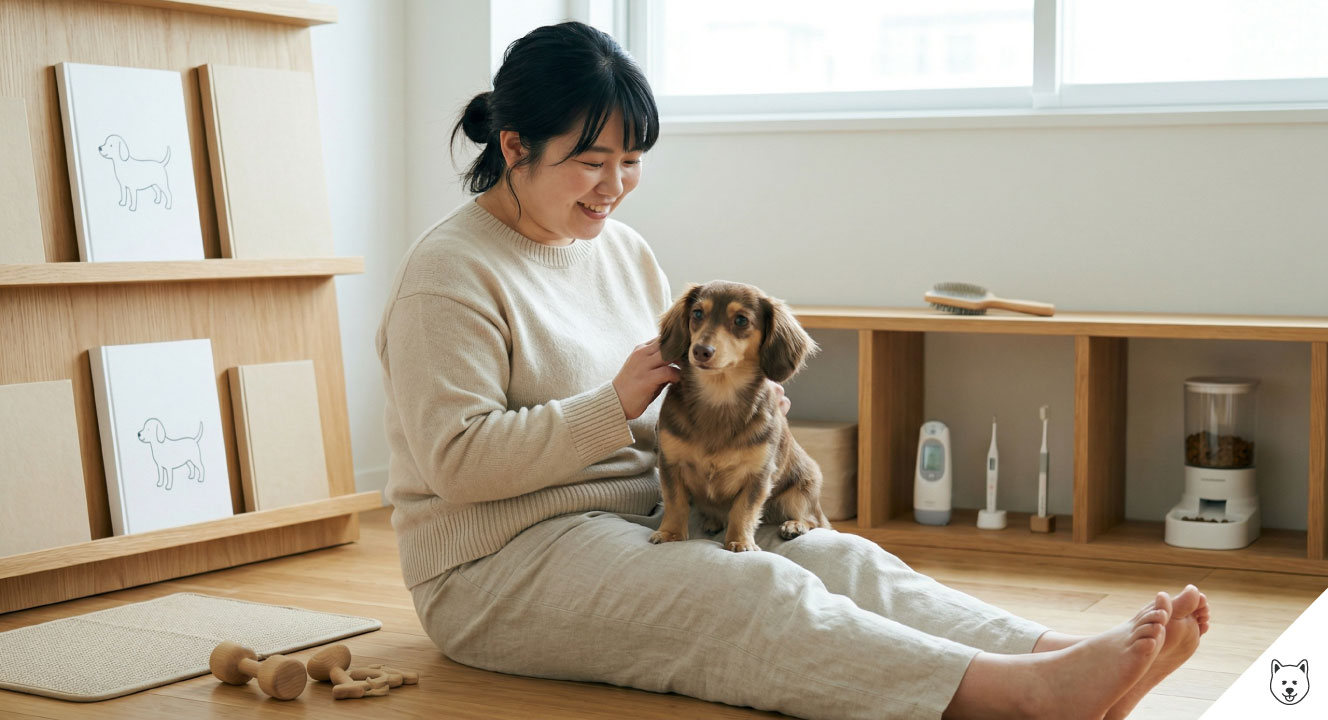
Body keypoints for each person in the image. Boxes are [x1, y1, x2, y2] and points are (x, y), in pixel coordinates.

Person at [377, 21, 1211, 720]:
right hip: (496, 566)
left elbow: (675, 400)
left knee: (833, 557)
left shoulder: (620, 252)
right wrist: (614, 403)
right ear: (515, 146)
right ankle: (1023, 698)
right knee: (741, 591)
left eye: (632, 161)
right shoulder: (448, 275)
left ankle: (1053, 652)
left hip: (640, 513)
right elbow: (456, 465)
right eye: (592, 162)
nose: (616, 187)